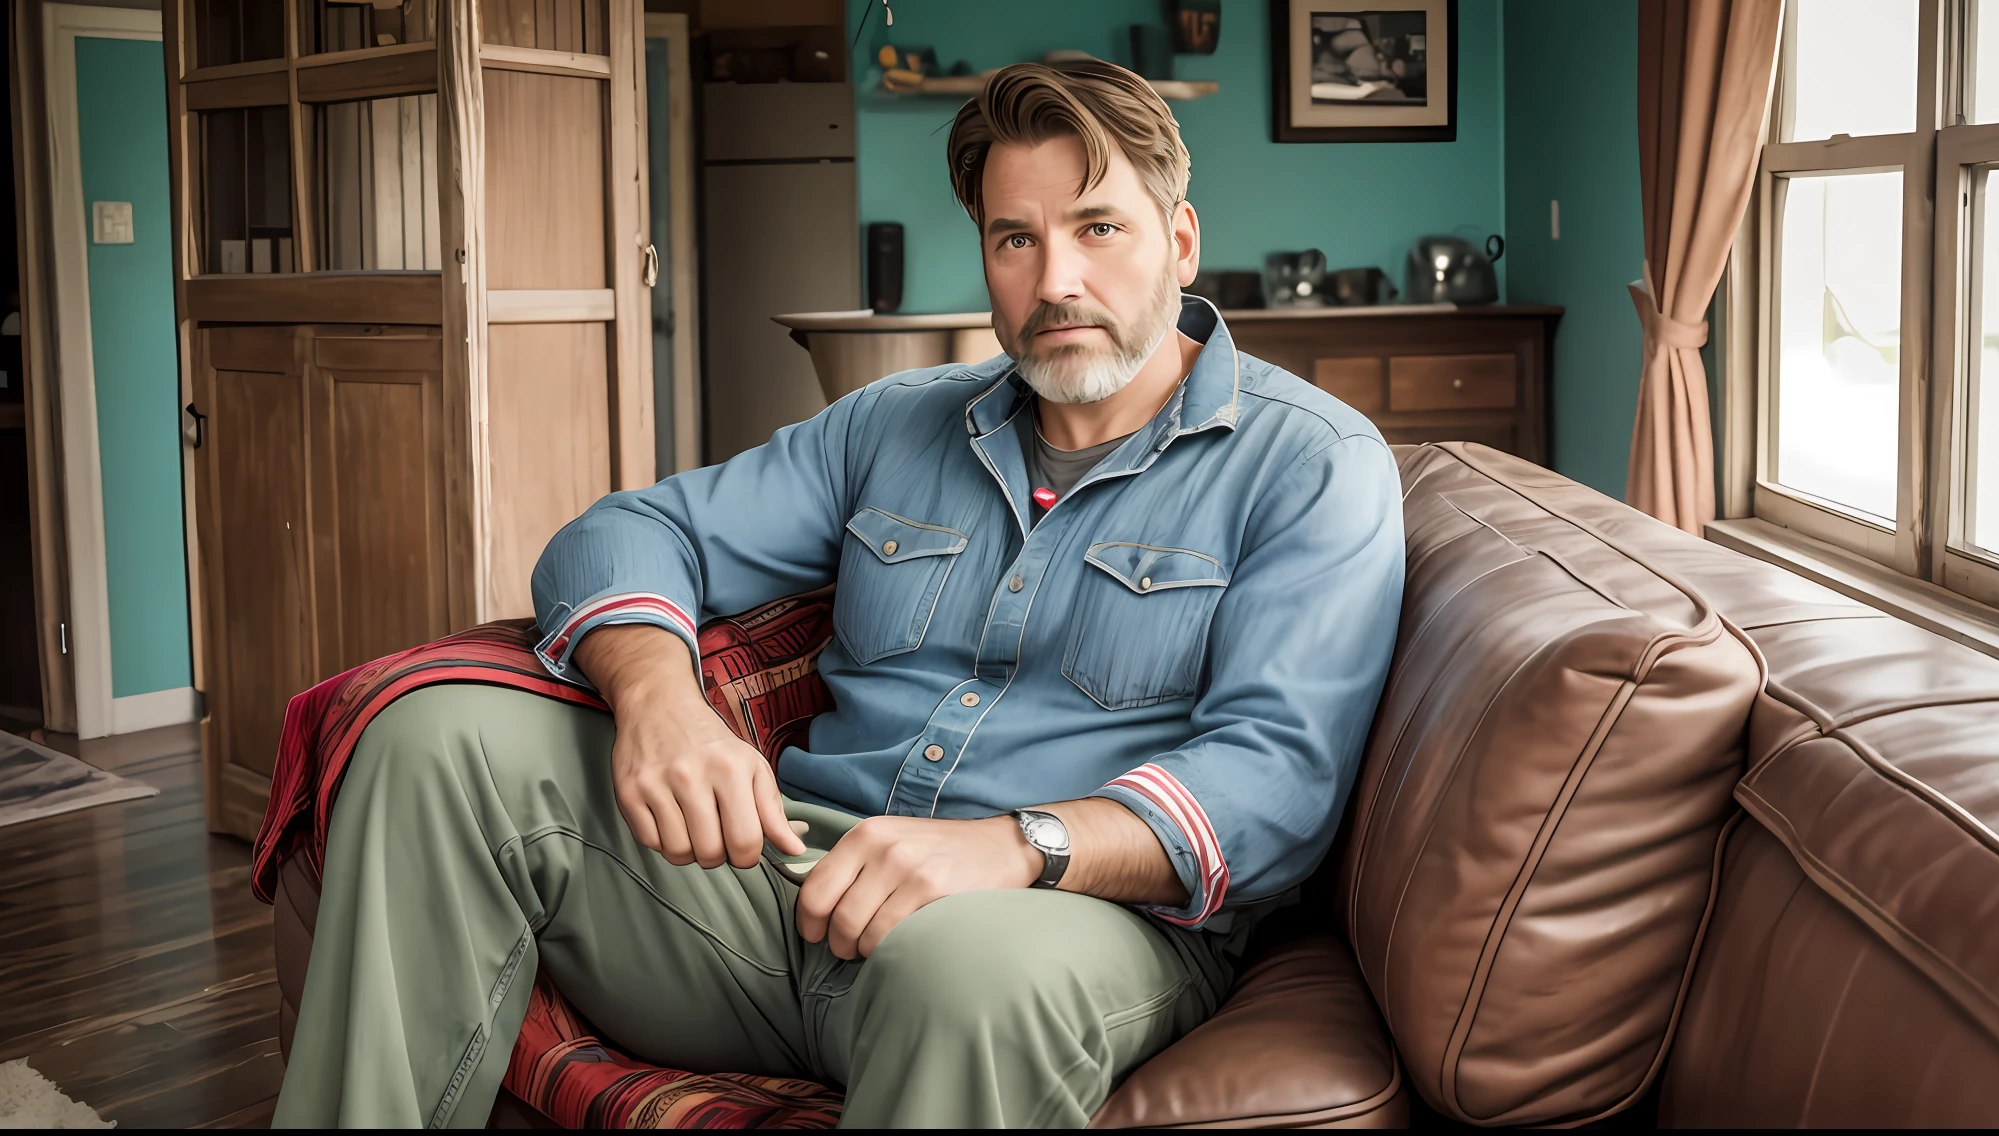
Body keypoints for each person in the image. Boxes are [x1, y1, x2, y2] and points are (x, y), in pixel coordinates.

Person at [275, 59, 1404, 1128]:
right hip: (781, 891)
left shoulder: (1310, 462)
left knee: (960, 970)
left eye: (1096, 228)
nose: (1055, 278)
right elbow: (628, 530)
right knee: (432, 737)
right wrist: (660, 703)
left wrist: (1012, 846)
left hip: (1065, 922)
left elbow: (1275, 780)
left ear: (1180, 241)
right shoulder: (890, 423)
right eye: (1015, 237)